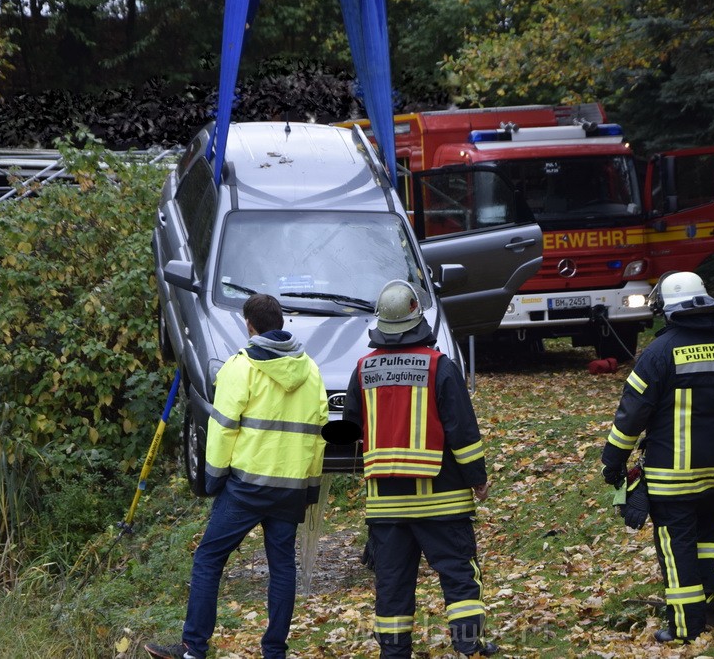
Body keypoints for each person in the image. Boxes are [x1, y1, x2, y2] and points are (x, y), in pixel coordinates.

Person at [146, 294, 328, 659]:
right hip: (290, 488)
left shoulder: (240, 367)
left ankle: (193, 648)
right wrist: (309, 488)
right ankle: (274, 651)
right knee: (282, 567)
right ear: (281, 323)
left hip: (246, 488)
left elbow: (223, 429)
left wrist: (212, 479)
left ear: (250, 325)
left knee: (209, 559)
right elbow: (317, 433)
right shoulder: (311, 370)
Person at [601, 271, 714, 645]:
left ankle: (686, 626)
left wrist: (613, 460)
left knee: (677, 548)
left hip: (672, 480)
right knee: (708, 534)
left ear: (668, 308)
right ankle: (713, 593)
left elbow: (630, 416)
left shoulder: (658, 353)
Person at [343, 279, 496, 659]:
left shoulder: (363, 370)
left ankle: (394, 654)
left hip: (386, 507)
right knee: (459, 577)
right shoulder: (439, 367)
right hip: (441, 502)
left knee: (392, 584)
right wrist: (477, 478)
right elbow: (462, 431)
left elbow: (349, 432)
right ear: (417, 318)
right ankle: (468, 646)